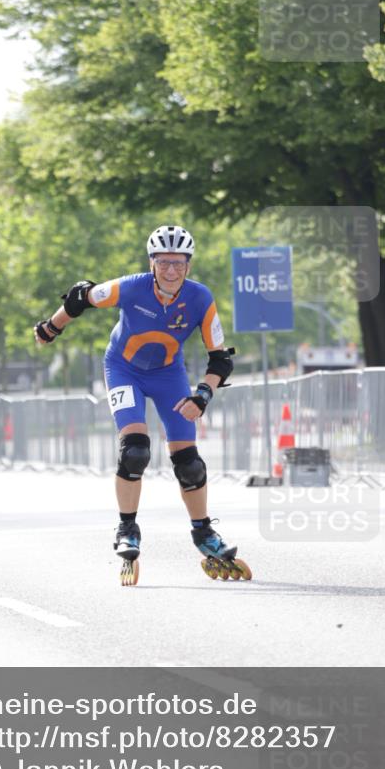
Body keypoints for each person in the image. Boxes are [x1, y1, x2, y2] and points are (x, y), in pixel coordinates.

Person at [33, 224, 251, 585]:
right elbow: (80, 296)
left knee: (190, 464)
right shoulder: (129, 287)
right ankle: (127, 528)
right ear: (151, 263)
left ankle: (203, 532)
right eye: (164, 262)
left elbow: (220, 359)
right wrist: (51, 328)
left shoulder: (200, 299)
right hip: (123, 369)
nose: (171, 271)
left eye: (178, 264)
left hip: (169, 376)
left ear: (188, 266)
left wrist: (203, 395)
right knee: (135, 451)